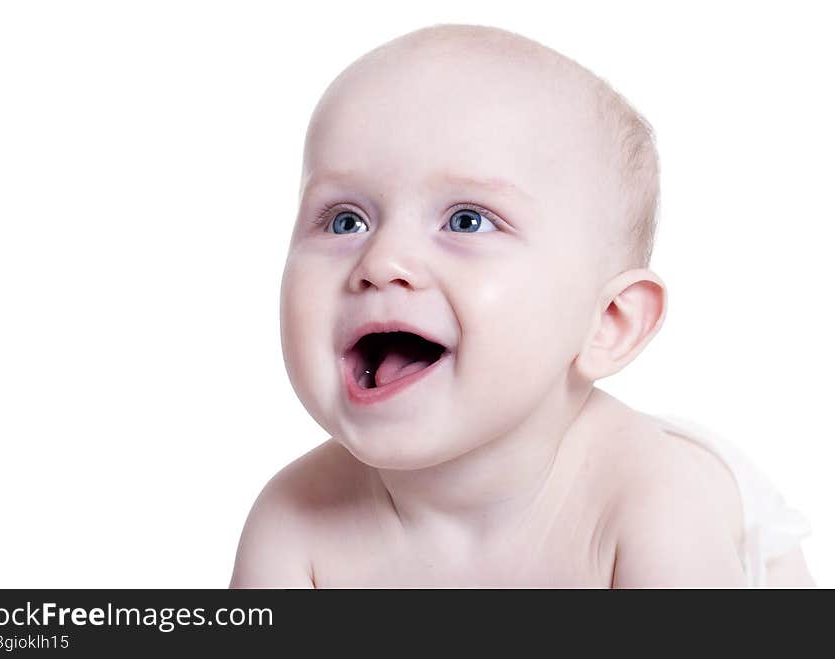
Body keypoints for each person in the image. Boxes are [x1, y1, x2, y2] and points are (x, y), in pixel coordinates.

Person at [230, 23, 813, 587]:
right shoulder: (292, 525)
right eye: (345, 220)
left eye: (466, 220)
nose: (382, 261)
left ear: (607, 323)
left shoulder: (650, 502)